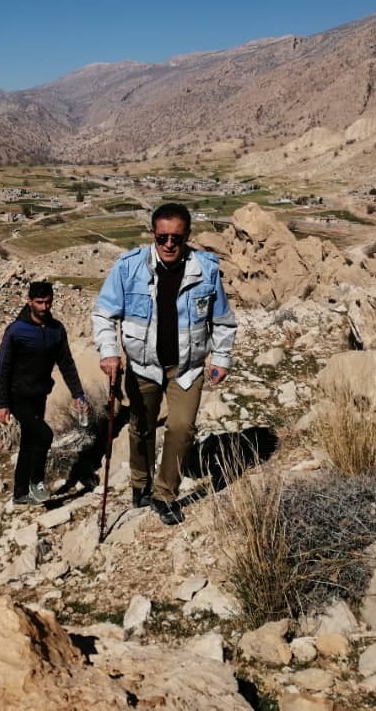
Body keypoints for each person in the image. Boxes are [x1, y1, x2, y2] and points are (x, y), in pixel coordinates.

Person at [92, 203, 237, 525]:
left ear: (187, 235)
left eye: (177, 237)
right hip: (143, 366)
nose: (169, 244)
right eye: (162, 238)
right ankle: (140, 483)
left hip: (187, 368)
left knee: (182, 428)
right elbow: (104, 314)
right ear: (152, 235)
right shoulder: (129, 268)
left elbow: (224, 321)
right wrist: (108, 352)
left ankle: (165, 493)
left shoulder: (206, 270)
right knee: (140, 428)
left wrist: (222, 358)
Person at [0, 281, 86, 505]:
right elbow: (3, 366)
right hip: (18, 396)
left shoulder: (56, 330)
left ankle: (19, 493)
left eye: (48, 302)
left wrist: (78, 394)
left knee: (29, 442)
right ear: (29, 302)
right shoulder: (17, 330)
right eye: (39, 303)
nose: (44, 307)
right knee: (44, 435)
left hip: (39, 394)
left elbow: (67, 364)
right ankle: (37, 481)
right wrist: (2, 403)